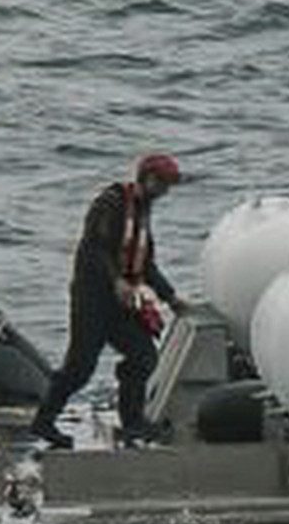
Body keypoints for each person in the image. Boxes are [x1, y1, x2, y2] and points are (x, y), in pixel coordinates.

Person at [29, 152, 187, 449]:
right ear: (148, 178)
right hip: (92, 299)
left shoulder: (143, 213)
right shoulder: (110, 203)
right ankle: (44, 421)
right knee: (80, 367)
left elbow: (146, 264)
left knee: (143, 356)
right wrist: (115, 281)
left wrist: (171, 297)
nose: (165, 192)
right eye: (163, 184)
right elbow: (93, 249)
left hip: (122, 303)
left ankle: (132, 423)